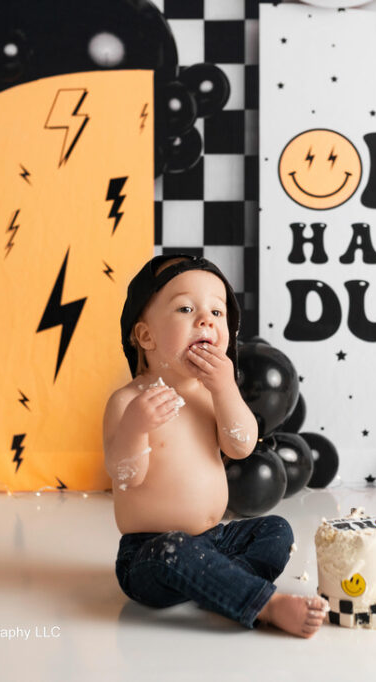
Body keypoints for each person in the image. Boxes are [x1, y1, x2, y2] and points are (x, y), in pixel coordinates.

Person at [104, 254, 328, 638]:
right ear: (145, 336)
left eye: (218, 312)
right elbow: (126, 474)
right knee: (174, 550)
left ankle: (216, 583)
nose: (206, 320)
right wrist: (135, 428)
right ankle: (262, 604)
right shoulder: (129, 402)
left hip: (215, 540)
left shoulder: (212, 395)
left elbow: (241, 447)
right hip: (150, 554)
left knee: (275, 530)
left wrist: (225, 389)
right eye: (186, 308)